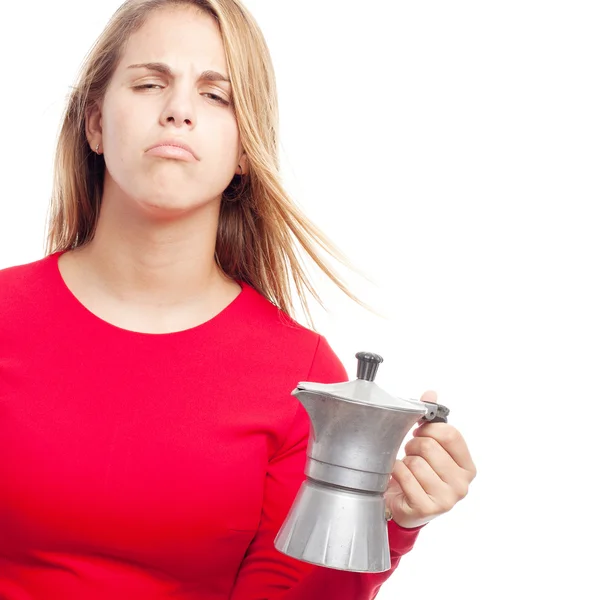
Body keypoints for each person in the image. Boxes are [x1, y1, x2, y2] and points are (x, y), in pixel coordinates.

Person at [0, 0, 477, 598]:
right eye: (150, 83)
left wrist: (389, 521)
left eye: (215, 95)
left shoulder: (304, 381)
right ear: (95, 123)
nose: (178, 112)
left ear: (246, 150)